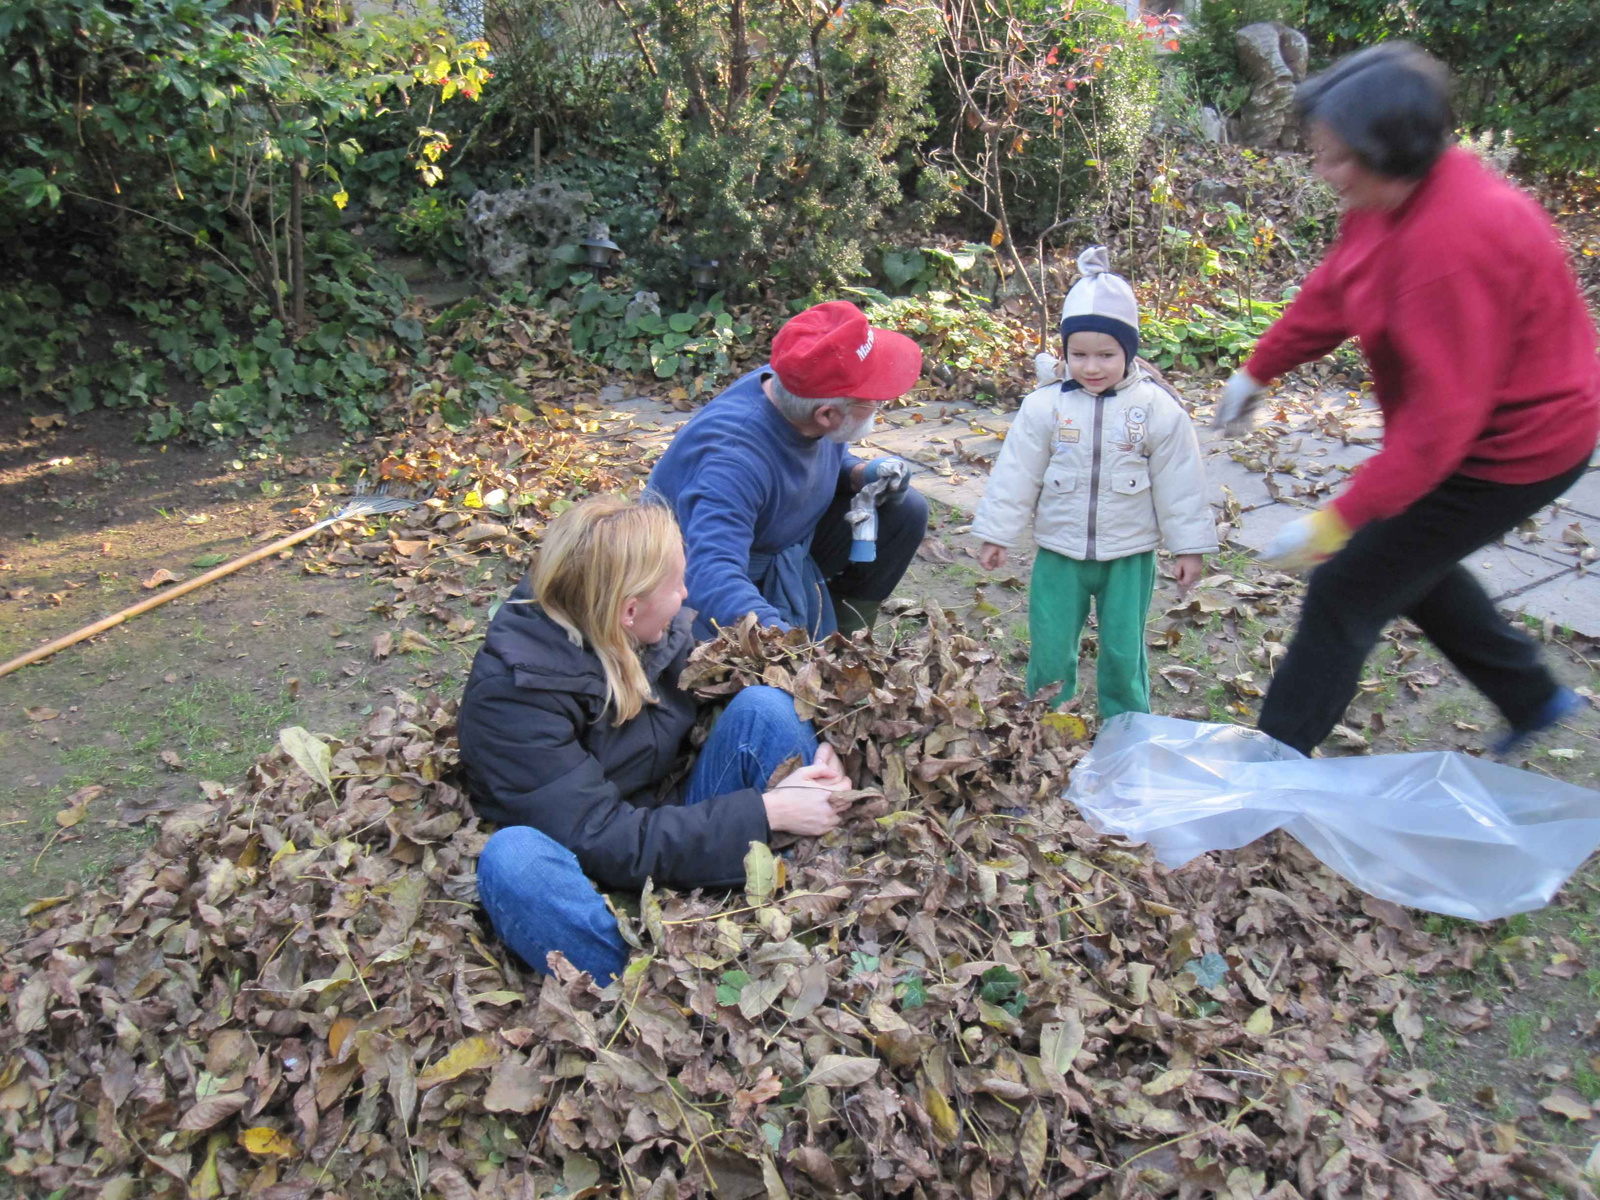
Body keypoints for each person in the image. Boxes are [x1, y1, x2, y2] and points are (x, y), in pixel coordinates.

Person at [1214, 44, 1600, 757]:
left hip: (1518, 447)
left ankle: (1269, 766)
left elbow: (1438, 430)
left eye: (1336, 158)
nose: (1323, 171)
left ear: (1394, 153)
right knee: (1408, 565)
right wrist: (1260, 368)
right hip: (1472, 429)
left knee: (1349, 586)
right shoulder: (1384, 200)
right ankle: (1533, 696)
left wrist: (1338, 520)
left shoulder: (1456, 243)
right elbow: (1340, 285)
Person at [457, 495, 857, 983]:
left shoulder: (635, 628)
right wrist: (768, 812)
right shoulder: (513, 698)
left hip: (665, 819)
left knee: (767, 709)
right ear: (629, 609)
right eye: (678, 586)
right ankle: (643, 982)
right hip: (589, 873)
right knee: (513, 860)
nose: (687, 595)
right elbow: (601, 839)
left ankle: (809, 903)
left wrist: (819, 750)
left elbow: (719, 692)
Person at [972, 246, 1217, 717]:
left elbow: (1180, 482)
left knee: (1124, 652)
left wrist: (1189, 547)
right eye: (1078, 354)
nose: (1091, 367)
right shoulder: (1045, 406)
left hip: (1129, 555)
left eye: (1107, 354)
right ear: (1064, 351)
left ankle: (1126, 724)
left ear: (1130, 351)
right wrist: (996, 533)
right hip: (1059, 553)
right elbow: (1016, 472)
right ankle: (1046, 719)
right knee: (1050, 645)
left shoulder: (1157, 409)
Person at [648, 301, 929, 641]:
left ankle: (850, 636)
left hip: (777, 539)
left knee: (906, 510)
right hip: (697, 575)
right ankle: (817, 646)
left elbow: (801, 456)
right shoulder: (733, 462)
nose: (880, 406)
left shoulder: (799, 381)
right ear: (826, 416)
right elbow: (709, 575)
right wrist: (786, 642)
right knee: (761, 673)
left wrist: (857, 472)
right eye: (873, 399)